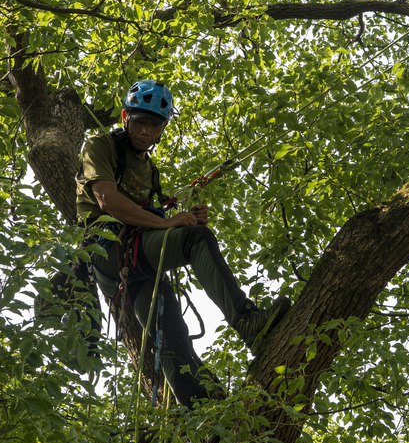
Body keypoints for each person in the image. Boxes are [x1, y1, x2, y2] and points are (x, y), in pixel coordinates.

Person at [76, 79, 290, 404]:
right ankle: (247, 321)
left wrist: (181, 218)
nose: (146, 131)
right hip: (110, 251)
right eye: (140, 122)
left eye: (154, 124)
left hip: (139, 262)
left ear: (162, 130)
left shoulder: (149, 170)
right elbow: (108, 201)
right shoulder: (101, 146)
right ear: (124, 117)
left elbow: (147, 216)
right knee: (195, 239)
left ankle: (201, 409)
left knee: (171, 334)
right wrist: (171, 224)